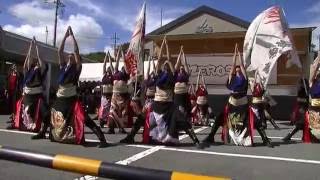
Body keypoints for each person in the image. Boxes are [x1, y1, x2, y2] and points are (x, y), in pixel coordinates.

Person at [32, 27, 108, 148]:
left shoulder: (77, 69)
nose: (70, 55)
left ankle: (102, 139)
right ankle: (42, 132)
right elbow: (59, 51)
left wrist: (72, 37)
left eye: (72, 55)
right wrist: (65, 36)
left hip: (70, 99)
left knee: (85, 118)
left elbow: (76, 51)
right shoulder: (63, 68)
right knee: (48, 115)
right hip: (60, 98)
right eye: (70, 55)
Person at [8, 38, 49, 132]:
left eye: (37, 62)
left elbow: (40, 60)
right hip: (27, 94)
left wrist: (37, 46)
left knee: (44, 112)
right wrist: (31, 46)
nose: (36, 63)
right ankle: (15, 123)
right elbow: (28, 60)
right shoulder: (30, 70)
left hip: (36, 95)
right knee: (20, 108)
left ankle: (44, 127)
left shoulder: (41, 71)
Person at [120, 56, 156, 144]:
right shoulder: (144, 83)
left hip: (155, 102)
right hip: (148, 102)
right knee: (141, 119)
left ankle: (147, 136)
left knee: (146, 119)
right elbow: (146, 73)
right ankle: (131, 136)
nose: (151, 75)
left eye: (152, 74)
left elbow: (153, 70)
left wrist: (152, 63)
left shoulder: (156, 80)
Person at [283, 56, 320, 143]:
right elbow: (313, 68)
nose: (318, 73)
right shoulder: (312, 82)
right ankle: (289, 135)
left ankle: (290, 135)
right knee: (301, 122)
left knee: (304, 123)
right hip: (313, 109)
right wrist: (318, 58)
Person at [221, 44, 252, 146]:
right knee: (229, 117)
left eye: (239, 68)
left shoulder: (244, 78)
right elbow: (233, 64)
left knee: (245, 118)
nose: (238, 68)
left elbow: (241, 64)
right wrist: (234, 52)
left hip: (242, 99)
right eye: (236, 68)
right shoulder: (232, 78)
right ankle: (231, 134)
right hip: (233, 100)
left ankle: (244, 136)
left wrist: (239, 53)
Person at [108, 47, 133, 134]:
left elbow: (125, 64)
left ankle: (121, 128)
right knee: (112, 111)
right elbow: (117, 62)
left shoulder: (126, 74)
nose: (122, 68)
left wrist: (123, 54)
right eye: (122, 68)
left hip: (123, 96)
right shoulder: (115, 72)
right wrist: (119, 53)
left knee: (122, 113)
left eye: (124, 68)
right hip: (115, 95)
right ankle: (111, 128)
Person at [248, 72, 273, 147]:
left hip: (260, 107)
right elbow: (253, 84)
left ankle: (264, 139)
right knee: (255, 123)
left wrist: (259, 75)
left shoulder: (260, 87)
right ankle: (263, 139)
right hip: (254, 107)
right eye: (251, 81)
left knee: (259, 123)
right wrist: (255, 76)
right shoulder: (253, 87)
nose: (252, 82)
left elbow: (261, 86)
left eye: (253, 81)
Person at [98, 51, 113, 128]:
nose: (108, 69)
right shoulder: (104, 75)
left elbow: (111, 65)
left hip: (110, 95)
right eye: (108, 69)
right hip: (104, 95)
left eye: (110, 69)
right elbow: (104, 65)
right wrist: (106, 57)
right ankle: (101, 121)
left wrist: (110, 57)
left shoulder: (112, 75)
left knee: (109, 110)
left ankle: (108, 122)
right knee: (103, 109)